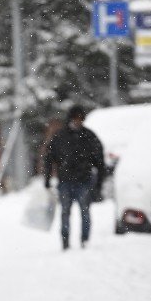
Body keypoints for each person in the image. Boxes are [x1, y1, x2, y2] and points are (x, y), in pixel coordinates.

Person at [44, 105, 106, 250]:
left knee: (85, 212)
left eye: (80, 119)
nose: (77, 122)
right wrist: (47, 179)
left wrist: (99, 183)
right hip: (65, 182)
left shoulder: (89, 136)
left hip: (84, 181)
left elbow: (99, 160)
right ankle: (65, 241)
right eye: (75, 119)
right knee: (65, 213)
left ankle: (85, 240)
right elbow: (49, 158)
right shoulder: (59, 137)